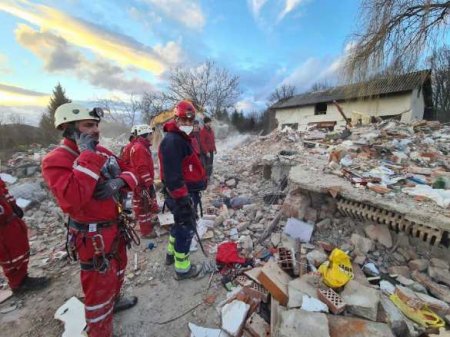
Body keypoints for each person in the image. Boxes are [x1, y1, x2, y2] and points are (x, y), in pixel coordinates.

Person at [42, 103, 139, 337]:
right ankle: (99, 331)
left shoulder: (103, 152)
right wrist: (87, 157)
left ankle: (114, 302)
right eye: (88, 125)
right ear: (68, 128)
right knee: (98, 288)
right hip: (92, 236)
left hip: (115, 229)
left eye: (96, 125)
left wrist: (119, 181)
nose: (96, 130)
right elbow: (73, 200)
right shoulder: (56, 160)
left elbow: (132, 171)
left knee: (118, 271)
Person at [158, 100, 207, 280]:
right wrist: (183, 199)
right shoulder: (172, 141)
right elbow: (172, 176)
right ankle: (182, 269)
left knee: (178, 225)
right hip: (181, 195)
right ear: (176, 119)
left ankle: (170, 255)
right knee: (186, 229)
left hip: (184, 193)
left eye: (190, 121)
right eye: (183, 121)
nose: (187, 124)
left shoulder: (180, 139)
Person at [0, 177, 49, 293]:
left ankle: (23, 278)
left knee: (20, 248)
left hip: (10, 220)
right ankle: (17, 283)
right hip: (2, 226)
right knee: (10, 256)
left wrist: (13, 204)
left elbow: (3, 190)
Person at [130, 124, 159, 238]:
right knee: (144, 207)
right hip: (142, 185)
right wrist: (149, 184)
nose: (152, 136)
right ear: (146, 134)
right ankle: (146, 232)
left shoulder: (141, 146)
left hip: (141, 183)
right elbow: (142, 169)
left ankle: (146, 225)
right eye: (151, 134)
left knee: (145, 205)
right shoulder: (140, 148)